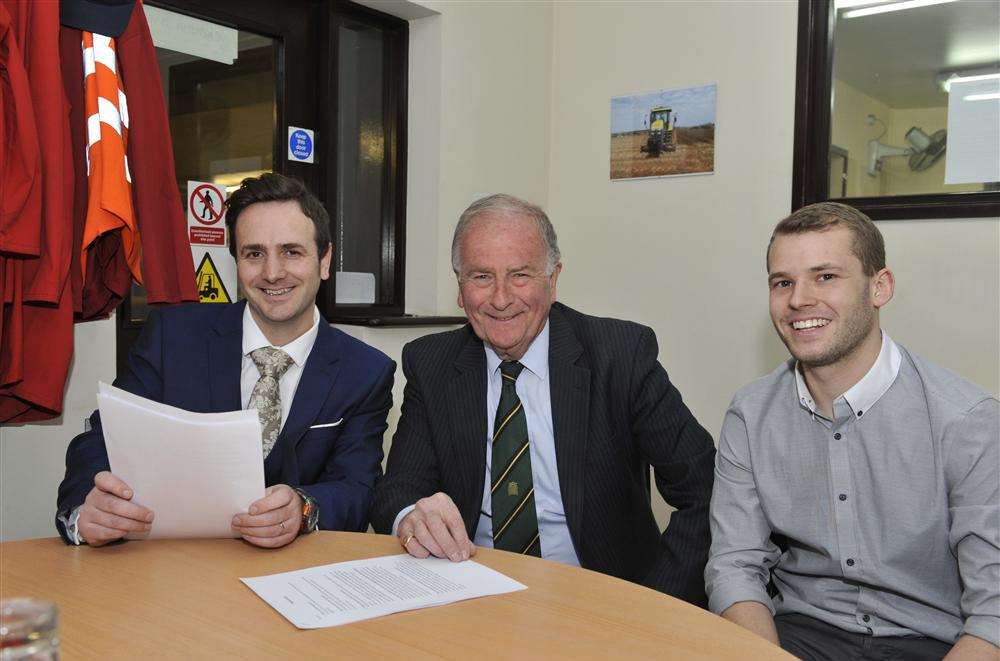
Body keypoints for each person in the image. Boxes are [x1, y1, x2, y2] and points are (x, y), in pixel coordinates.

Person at [370, 193, 716, 605]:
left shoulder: (620, 355)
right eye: (481, 277)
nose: (500, 299)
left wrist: (657, 603)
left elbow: (703, 488)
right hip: (470, 592)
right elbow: (399, 489)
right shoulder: (432, 364)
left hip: (602, 599)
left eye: (520, 275)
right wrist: (413, 517)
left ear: (552, 281)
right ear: (460, 290)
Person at [705, 202, 999, 660]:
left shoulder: (968, 420)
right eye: (783, 282)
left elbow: (994, 612)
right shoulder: (751, 413)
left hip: (931, 644)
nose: (799, 299)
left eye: (825, 277)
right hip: (796, 634)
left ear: (879, 287)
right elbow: (734, 567)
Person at [56, 173, 395, 548]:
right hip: (174, 567)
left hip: (294, 577)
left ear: (325, 259)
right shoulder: (173, 338)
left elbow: (357, 489)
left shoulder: (366, 371)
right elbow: (102, 440)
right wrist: (86, 512)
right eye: (254, 254)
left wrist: (303, 508)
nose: (272, 273)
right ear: (237, 262)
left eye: (291, 251)